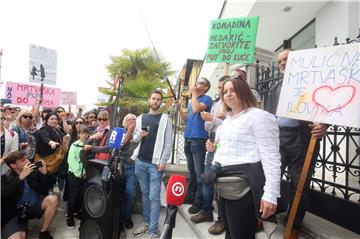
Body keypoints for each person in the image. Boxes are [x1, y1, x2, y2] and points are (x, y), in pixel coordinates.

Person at [206, 78, 281, 239]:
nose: (228, 94)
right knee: (230, 234)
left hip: (243, 188)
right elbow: (225, 148)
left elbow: (271, 157)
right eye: (224, 91)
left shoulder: (259, 117)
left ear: (244, 91)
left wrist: (270, 194)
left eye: (232, 90)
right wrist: (214, 147)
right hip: (223, 185)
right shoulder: (226, 121)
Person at [265, 48, 327, 238]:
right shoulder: (275, 87)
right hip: (278, 138)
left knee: (299, 184)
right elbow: (268, 114)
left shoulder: (314, 83)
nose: (282, 63)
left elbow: (329, 107)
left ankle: (294, 225)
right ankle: (264, 217)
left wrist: (325, 125)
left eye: (287, 59)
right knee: (270, 177)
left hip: (302, 139)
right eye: (280, 61)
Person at [190, 75, 230, 235]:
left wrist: (215, 119)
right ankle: (206, 211)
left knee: (221, 185)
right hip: (212, 142)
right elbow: (207, 126)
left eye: (225, 88)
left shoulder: (235, 105)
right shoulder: (216, 104)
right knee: (207, 179)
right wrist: (214, 119)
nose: (222, 91)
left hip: (226, 145)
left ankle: (222, 220)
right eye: (220, 88)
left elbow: (230, 126)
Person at [131, 90, 173, 239]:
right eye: (153, 98)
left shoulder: (165, 119)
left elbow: (168, 144)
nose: (155, 101)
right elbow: (134, 140)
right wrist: (139, 135)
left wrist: (163, 160)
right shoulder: (140, 118)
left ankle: (153, 231)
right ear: (149, 100)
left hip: (155, 165)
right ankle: (146, 223)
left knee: (154, 197)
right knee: (145, 195)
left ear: (160, 102)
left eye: (158, 99)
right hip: (140, 162)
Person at [1, 151, 58, 239]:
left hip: (33, 207)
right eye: (23, 161)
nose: (28, 161)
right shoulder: (5, 178)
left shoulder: (33, 171)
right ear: (13, 165)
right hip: (15, 214)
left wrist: (45, 173)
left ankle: (43, 232)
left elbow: (52, 183)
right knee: (17, 237)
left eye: (27, 158)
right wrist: (20, 178)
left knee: (53, 199)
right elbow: (4, 193)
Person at [178, 77, 212, 215]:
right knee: (191, 172)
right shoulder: (193, 101)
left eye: (201, 83)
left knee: (199, 174)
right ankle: (191, 197)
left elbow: (198, 109)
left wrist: (193, 94)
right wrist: (179, 108)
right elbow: (187, 118)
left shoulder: (206, 98)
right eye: (197, 82)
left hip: (198, 140)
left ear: (206, 87)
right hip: (188, 138)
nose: (198, 84)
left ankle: (199, 202)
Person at [66, 125, 90, 229]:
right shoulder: (74, 145)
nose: (84, 135)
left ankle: (77, 212)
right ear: (78, 134)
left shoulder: (88, 145)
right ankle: (70, 216)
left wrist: (85, 172)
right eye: (82, 133)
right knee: (73, 196)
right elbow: (71, 161)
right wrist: (79, 173)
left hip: (84, 175)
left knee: (81, 195)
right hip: (74, 175)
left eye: (86, 133)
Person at [119, 113, 139, 230]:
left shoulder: (139, 133)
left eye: (134, 120)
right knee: (118, 193)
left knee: (130, 193)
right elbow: (120, 146)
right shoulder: (120, 132)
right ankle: (118, 217)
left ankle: (126, 217)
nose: (132, 122)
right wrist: (129, 132)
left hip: (132, 167)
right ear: (125, 123)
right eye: (129, 120)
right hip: (120, 166)